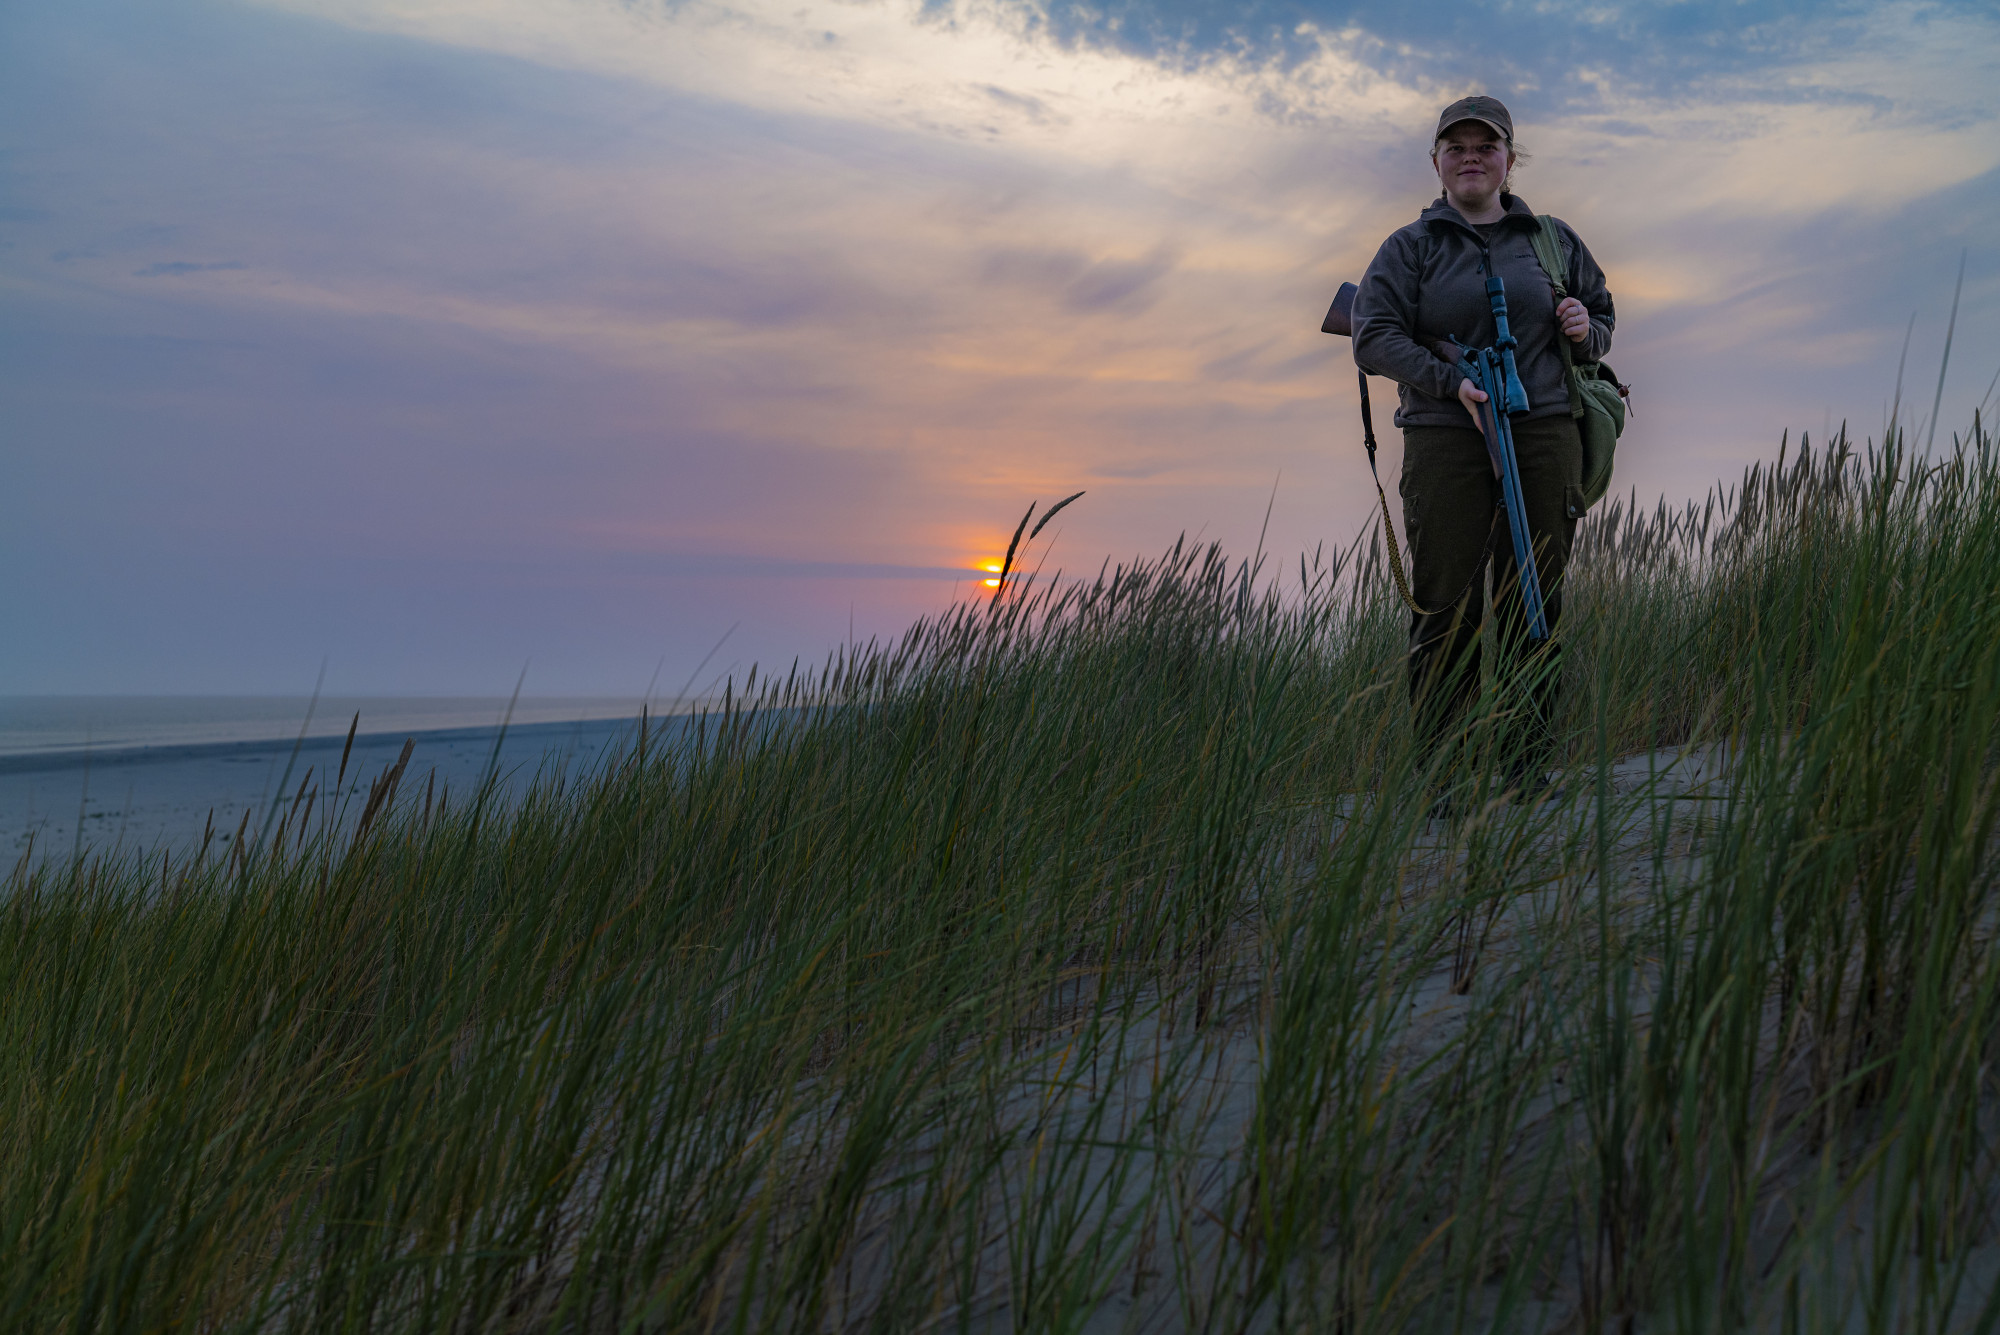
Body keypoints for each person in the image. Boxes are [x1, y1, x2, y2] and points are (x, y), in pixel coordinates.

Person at [1351, 95, 1615, 791]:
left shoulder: (1551, 240)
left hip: (1544, 433)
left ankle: (1527, 771)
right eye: (1456, 145)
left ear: (1509, 158)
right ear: (1436, 162)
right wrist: (1449, 380)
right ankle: (1449, 779)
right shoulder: (1409, 248)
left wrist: (1586, 326)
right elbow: (1372, 334)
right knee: (1449, 610)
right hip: (1446, 440)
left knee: (1536, 603)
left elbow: (1604, 319)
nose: (1471, 156)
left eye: (1486, 145)